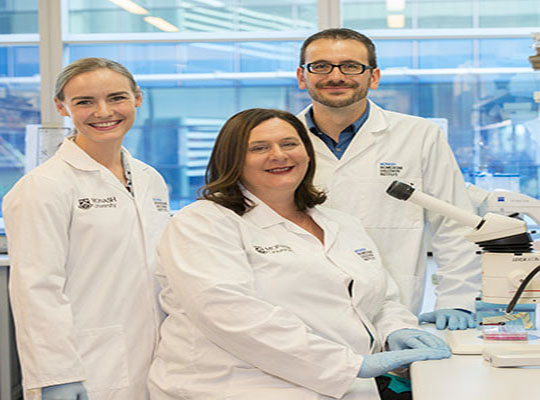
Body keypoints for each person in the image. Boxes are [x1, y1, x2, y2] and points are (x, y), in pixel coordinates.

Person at [147, 108, 450, 400]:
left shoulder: (340, 223)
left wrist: (396, 329)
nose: (279, 155)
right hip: (234, 386)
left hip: (344, 385)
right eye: (259, 148)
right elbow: (228, 313)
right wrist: (348, 365)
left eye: (289, 144)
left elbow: (379, 299)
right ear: (232, 160)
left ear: (307, 153)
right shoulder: (203, 222)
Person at [3, 58, 171, 400]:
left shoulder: (150, 179)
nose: (103, 112)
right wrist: (56, 376)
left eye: (116, 98)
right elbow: (36, 289)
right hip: (86, 365)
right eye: (84, 102)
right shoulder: (44, 186)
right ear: (61, 107)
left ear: (137, 98)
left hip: (159, 361)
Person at [295, 28, 481, 330]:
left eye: (351, 66)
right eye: (321, 66)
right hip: (303, 308)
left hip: (396, 309)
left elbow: (454, 222)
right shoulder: (281, 142)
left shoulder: (419, 135)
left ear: (374, 77)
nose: (336, 76)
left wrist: (457, 299)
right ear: (302, 76)